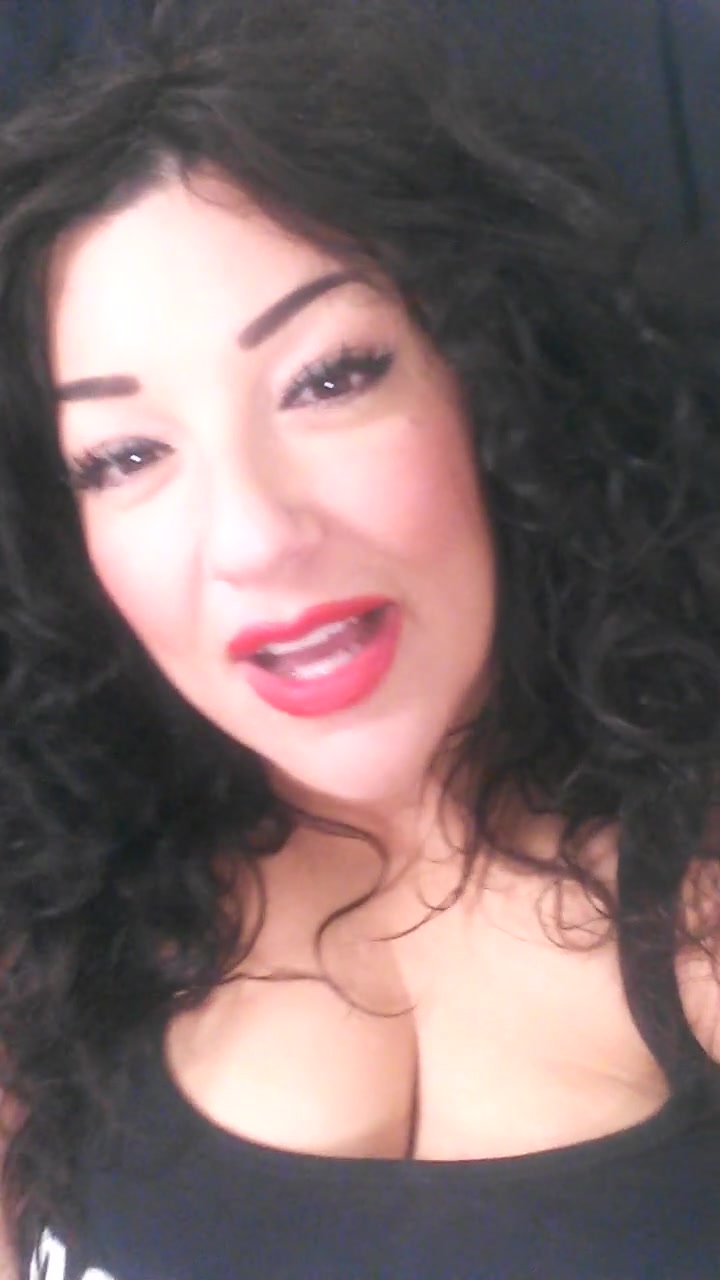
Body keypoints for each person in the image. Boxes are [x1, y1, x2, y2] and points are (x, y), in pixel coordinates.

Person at [0, 1, 720, 1276]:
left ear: (493, 378)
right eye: (124, 455)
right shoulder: (51, 937)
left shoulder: (696, 897)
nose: (252, 536)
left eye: (329, 379)